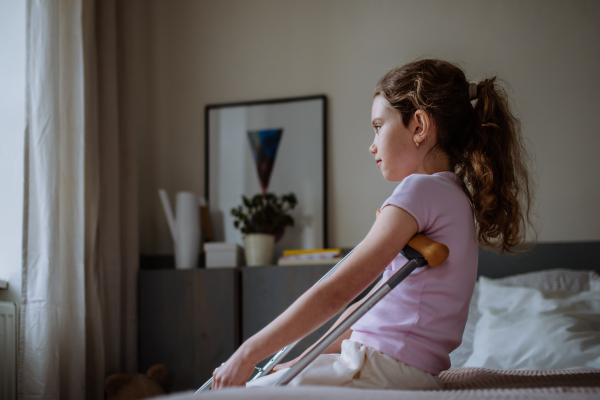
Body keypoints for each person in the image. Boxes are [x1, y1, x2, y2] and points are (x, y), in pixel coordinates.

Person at [211, 59, 535, 390]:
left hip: (377, 367)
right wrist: (298, 361)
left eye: (379, 126)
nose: (372, 144)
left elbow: (337, 290)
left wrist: (248, 353)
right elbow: (369, 313)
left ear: (419, 126)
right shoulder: (454, 196)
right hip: (397, 369)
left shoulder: (419, 190)